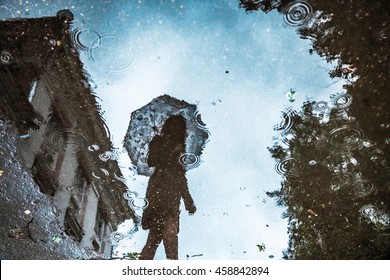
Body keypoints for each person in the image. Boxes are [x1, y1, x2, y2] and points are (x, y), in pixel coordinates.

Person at [139, 115, 197, 260]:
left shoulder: (181, 149)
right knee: (157, 237)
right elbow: (152, 161)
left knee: (167, 235)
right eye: (175, 127)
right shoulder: (158, 141)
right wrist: (171, 153)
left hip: (171, 195)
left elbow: (181, 177)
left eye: (179, 128)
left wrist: (188, 201)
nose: (176, 131)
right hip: (158, 190)